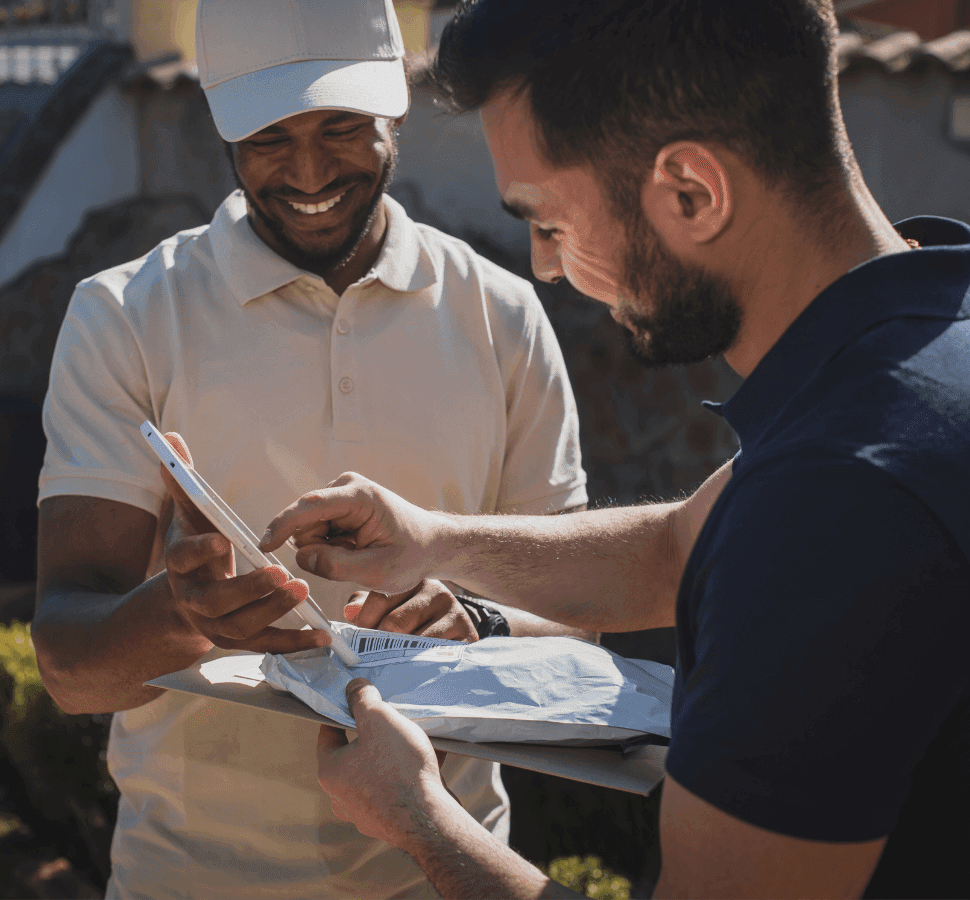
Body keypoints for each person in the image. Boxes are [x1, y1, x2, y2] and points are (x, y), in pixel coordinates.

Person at [253, 1, 970, 897]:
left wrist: (423, 824)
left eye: (548, 222)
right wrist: (432, 540)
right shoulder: (926, 337)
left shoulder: (837, 497)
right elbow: (678, 545)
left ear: (690, 193)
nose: (544, 267)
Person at [30, 0, 593, 896]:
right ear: (221, 131)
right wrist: (180, 615)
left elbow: (578, 612)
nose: (307, 170)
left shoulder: (502, 317)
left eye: (341, 127)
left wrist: (482, 623)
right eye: (266, 136)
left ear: (395, 113)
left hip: (445, 871)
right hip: (189, 878)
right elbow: (67, 665)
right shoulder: (126, 318)